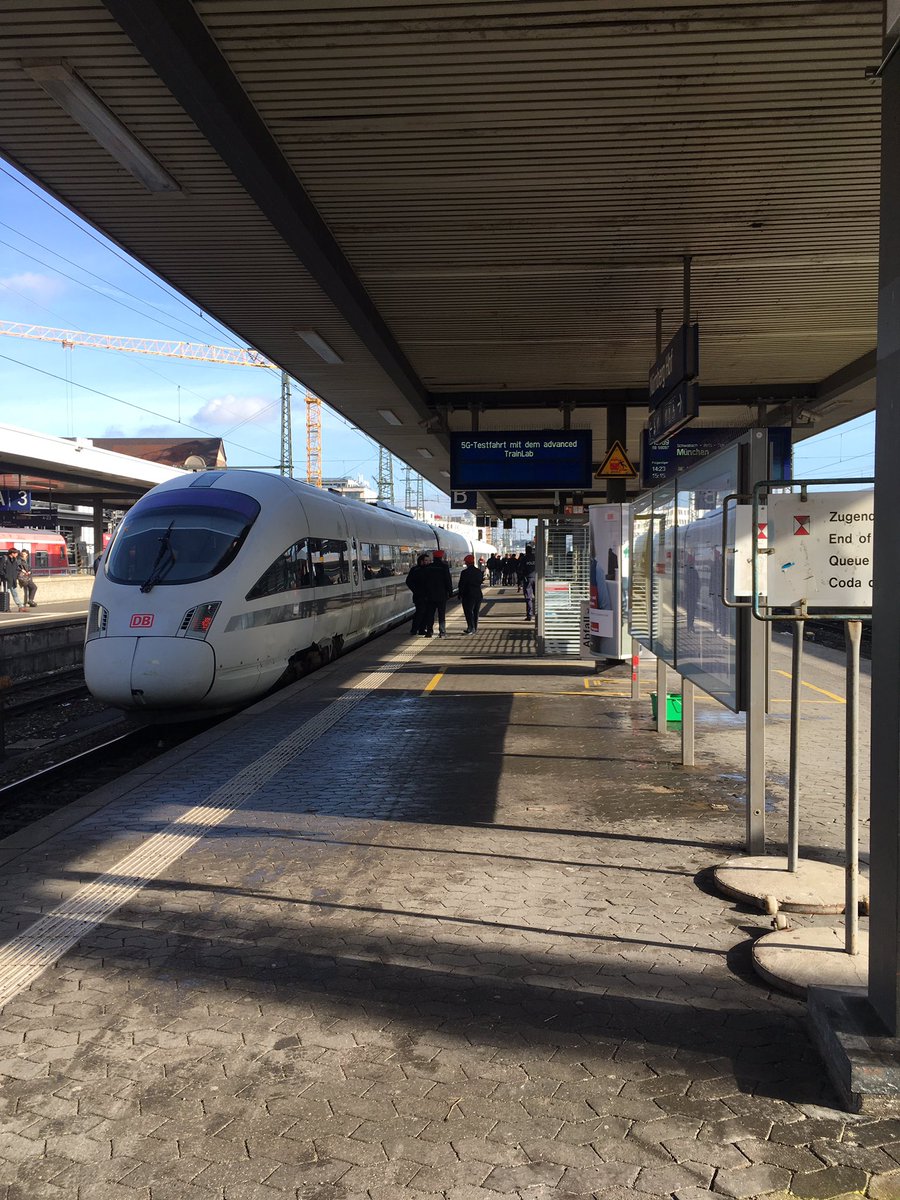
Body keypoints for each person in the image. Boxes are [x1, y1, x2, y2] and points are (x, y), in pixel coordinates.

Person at [422, 548, 453, 637]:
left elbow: (425, 581)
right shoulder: (444, 567)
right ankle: (442, 632)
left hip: (430, 595)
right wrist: (450, 592)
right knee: (441, 614)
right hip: (441, 595)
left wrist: (425, 593)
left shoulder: (429, 567)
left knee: (430, 614)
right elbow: (448, 580)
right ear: (441, 557)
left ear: (434, 557)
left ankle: (429, 632)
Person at [405, 551, 431, 635]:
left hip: (428, 595)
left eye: (429, 560)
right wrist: (416, 591)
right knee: (420, 612)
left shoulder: (430, 569)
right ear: (421, 561)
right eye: (426, 560)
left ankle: (422, 629)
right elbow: (408, 581)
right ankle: (414, 629)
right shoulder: (415, 570)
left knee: (426, 613)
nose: (428, 562)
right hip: (419, 596)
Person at [458, 554, 484, 634]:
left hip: (468, 595)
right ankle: (474, 628)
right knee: (476, 612)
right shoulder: (478, 571)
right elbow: (480, 581)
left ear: (467, 563)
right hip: (478, 594)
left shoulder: (464, 572)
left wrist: (460, 594)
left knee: (468, 612)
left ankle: (470, 627)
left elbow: (461, 584)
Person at [1, 548, 28, 613]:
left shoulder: (14, 559)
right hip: (6, 580)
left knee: (15, 594)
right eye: (16, 553)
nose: (17, 555)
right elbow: (0, 569)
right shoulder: (4, 558)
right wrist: (5, 576)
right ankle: (7, 608)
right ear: (12, 553)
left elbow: (16, 568)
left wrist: (21, 571)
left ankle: (21, 607)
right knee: (7, 594)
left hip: (13, 580)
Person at [522, 544, 537, 620]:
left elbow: (521, 569)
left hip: (527, 579)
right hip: (536, 578)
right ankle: (538, 614)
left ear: (526, 551)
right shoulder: (536, 557)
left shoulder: (524, 558)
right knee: (538, 596)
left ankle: (529, 615)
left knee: (528, 597)